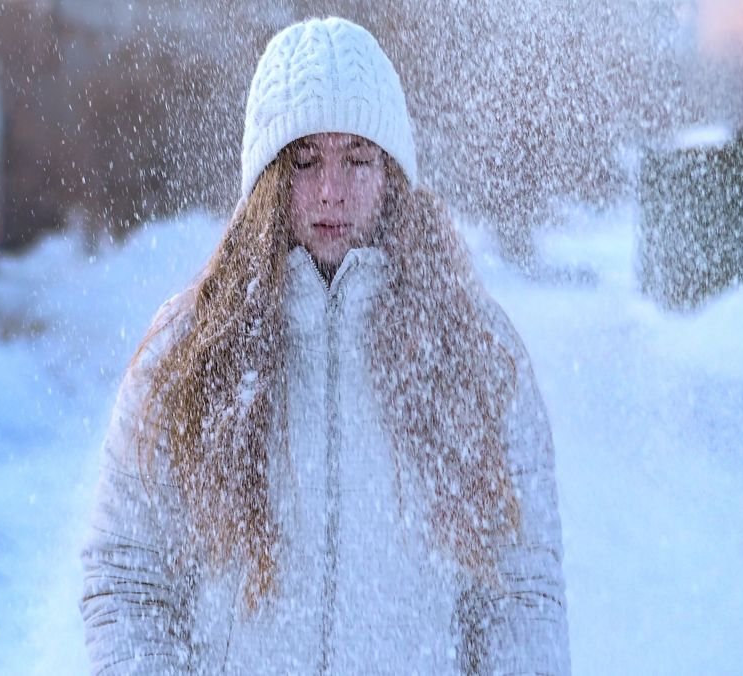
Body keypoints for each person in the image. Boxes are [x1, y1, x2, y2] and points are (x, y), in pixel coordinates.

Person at [81, 16, 570, 675]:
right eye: (304, 161)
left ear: (393, 174)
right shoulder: (190, 350)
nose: (331, 190)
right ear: (266, 181)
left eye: (358, 159)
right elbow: (126, 578)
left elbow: (522, 595)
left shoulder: (476, 351)